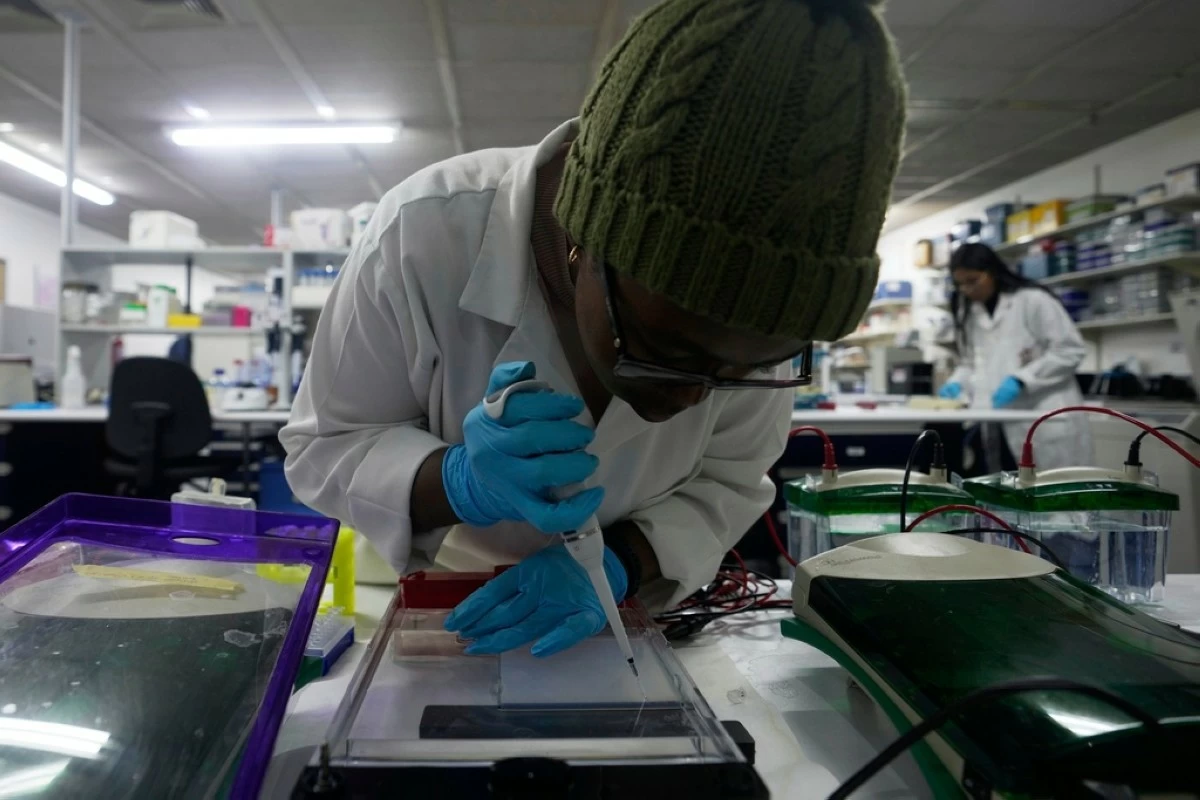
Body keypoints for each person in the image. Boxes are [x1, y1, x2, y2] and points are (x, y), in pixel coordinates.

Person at [281, 0, 905, 658]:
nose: (694, 400)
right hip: (441, 620)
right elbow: (324, 450)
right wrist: (456, 478)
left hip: (638, 624)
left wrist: (619, 564)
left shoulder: (755, 324)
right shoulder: (424, 233)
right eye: (665, 353)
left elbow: (729, 480)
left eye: (745, 371)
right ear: (580, 241)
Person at [939, 242, 1093, 470]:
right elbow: (970, 363)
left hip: (1043, 414)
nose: (967, 290)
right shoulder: (969, 312)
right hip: (997, 420)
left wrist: (1022, 380)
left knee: (1055, 495)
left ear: (992, 272)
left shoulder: (1033, 300)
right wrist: (955, 382)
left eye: (972, 281)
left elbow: (1070, 350)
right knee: (1003, 494)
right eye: (960, 284)